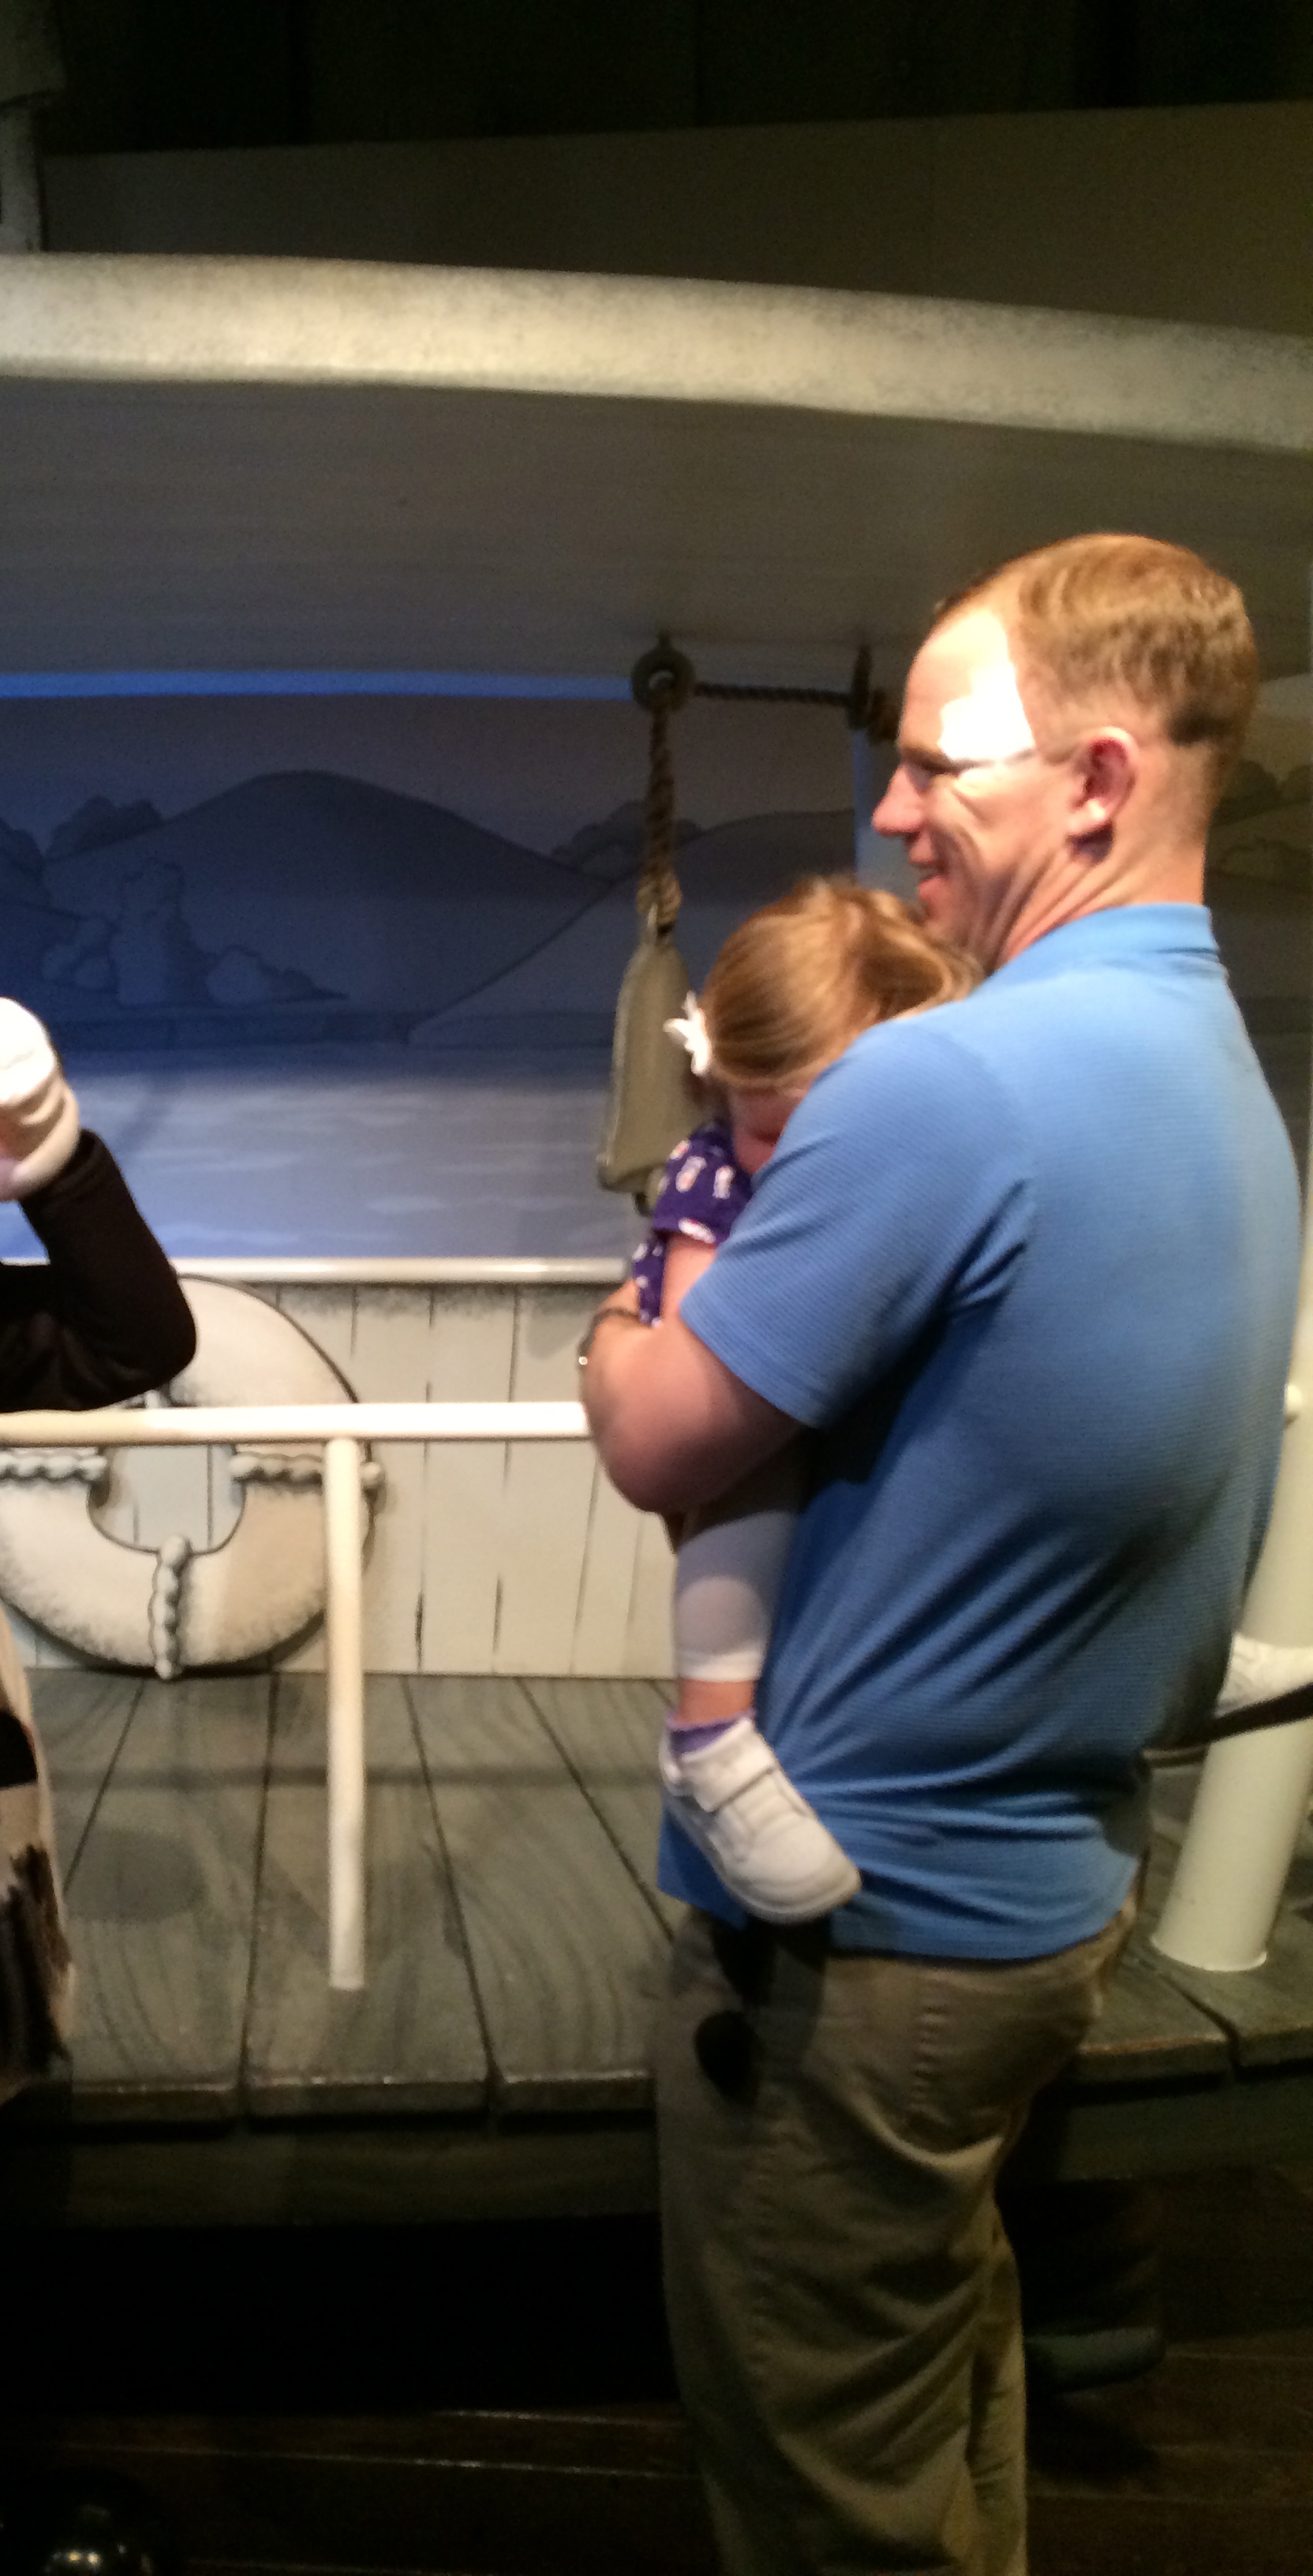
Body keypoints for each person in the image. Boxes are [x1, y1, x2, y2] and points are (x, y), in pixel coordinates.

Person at [582, 534, 1301, 2576]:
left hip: (866, 1934)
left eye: (933, 765)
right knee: (936, 2365)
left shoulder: (945, 1083)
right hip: (1048, 1898)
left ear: (1097, 779)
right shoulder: (1223, 1079)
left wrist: (613, 1326)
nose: (893, 812)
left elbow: (660, 1438)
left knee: (828, 2489)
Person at [630, 878, 977, 1923]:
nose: (806, 1163)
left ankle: (1155, 1631)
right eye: (776, 1132)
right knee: (750, 1484)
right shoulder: (715, 1177)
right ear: (719, 1089)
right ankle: (709, 1733)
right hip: (756, 1392)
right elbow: (696, 1347)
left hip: (861, 1386)